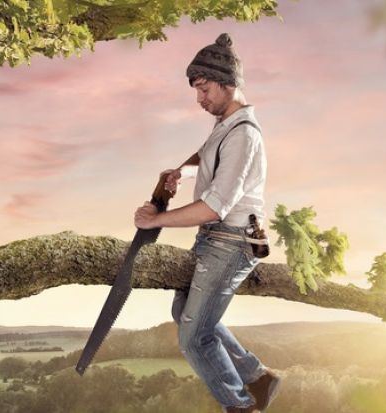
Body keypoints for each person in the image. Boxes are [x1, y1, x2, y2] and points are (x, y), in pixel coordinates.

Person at [134, 33, 281, 413]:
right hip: (215, 237)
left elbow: (215, 206)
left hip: (232, 240)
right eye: (196, 90)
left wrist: (157, 221)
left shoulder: (243, 134)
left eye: (204, 89)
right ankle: (258, 377)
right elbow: (208, 153)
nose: (199, 99)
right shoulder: (226, 126)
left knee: (193, 336)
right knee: (183, 312)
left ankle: (240, 406)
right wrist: (181, 171)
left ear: (229, 83)